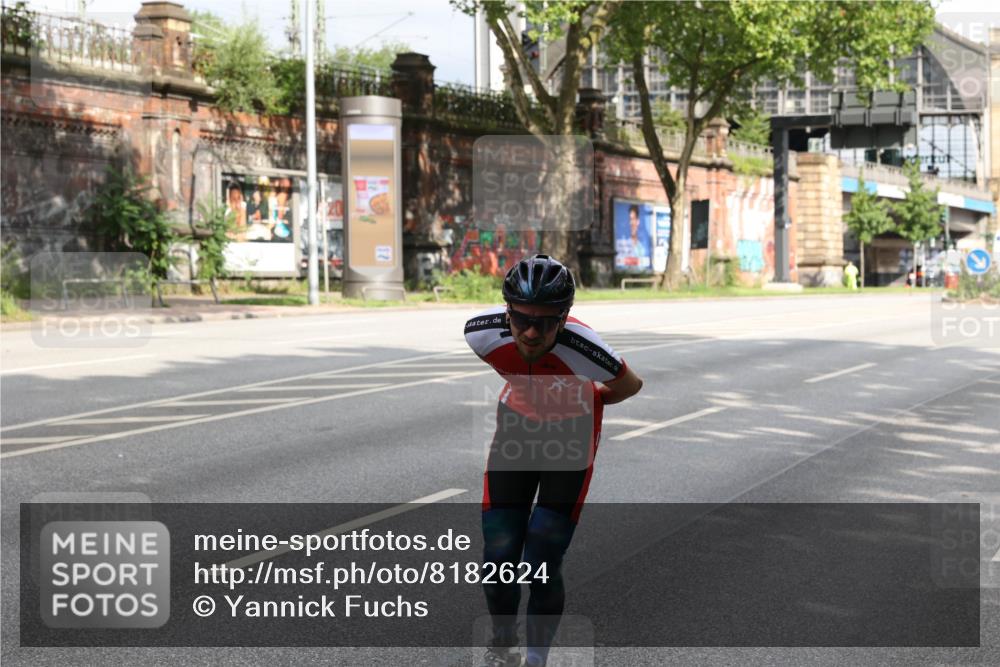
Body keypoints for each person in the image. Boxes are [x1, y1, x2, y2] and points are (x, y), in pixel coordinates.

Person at [464, 255, 643, 667]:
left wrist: (585, 398)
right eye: (521, 318)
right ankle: (504, 644)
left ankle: (536, 659)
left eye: (544, 323)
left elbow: (630, 386)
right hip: (518, 430)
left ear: (563, 319)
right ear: (507, 311)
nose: (529, 332)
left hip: (572, 435)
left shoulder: (586, 349)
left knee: (542, 558)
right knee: (499, 555)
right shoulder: (480, 335)